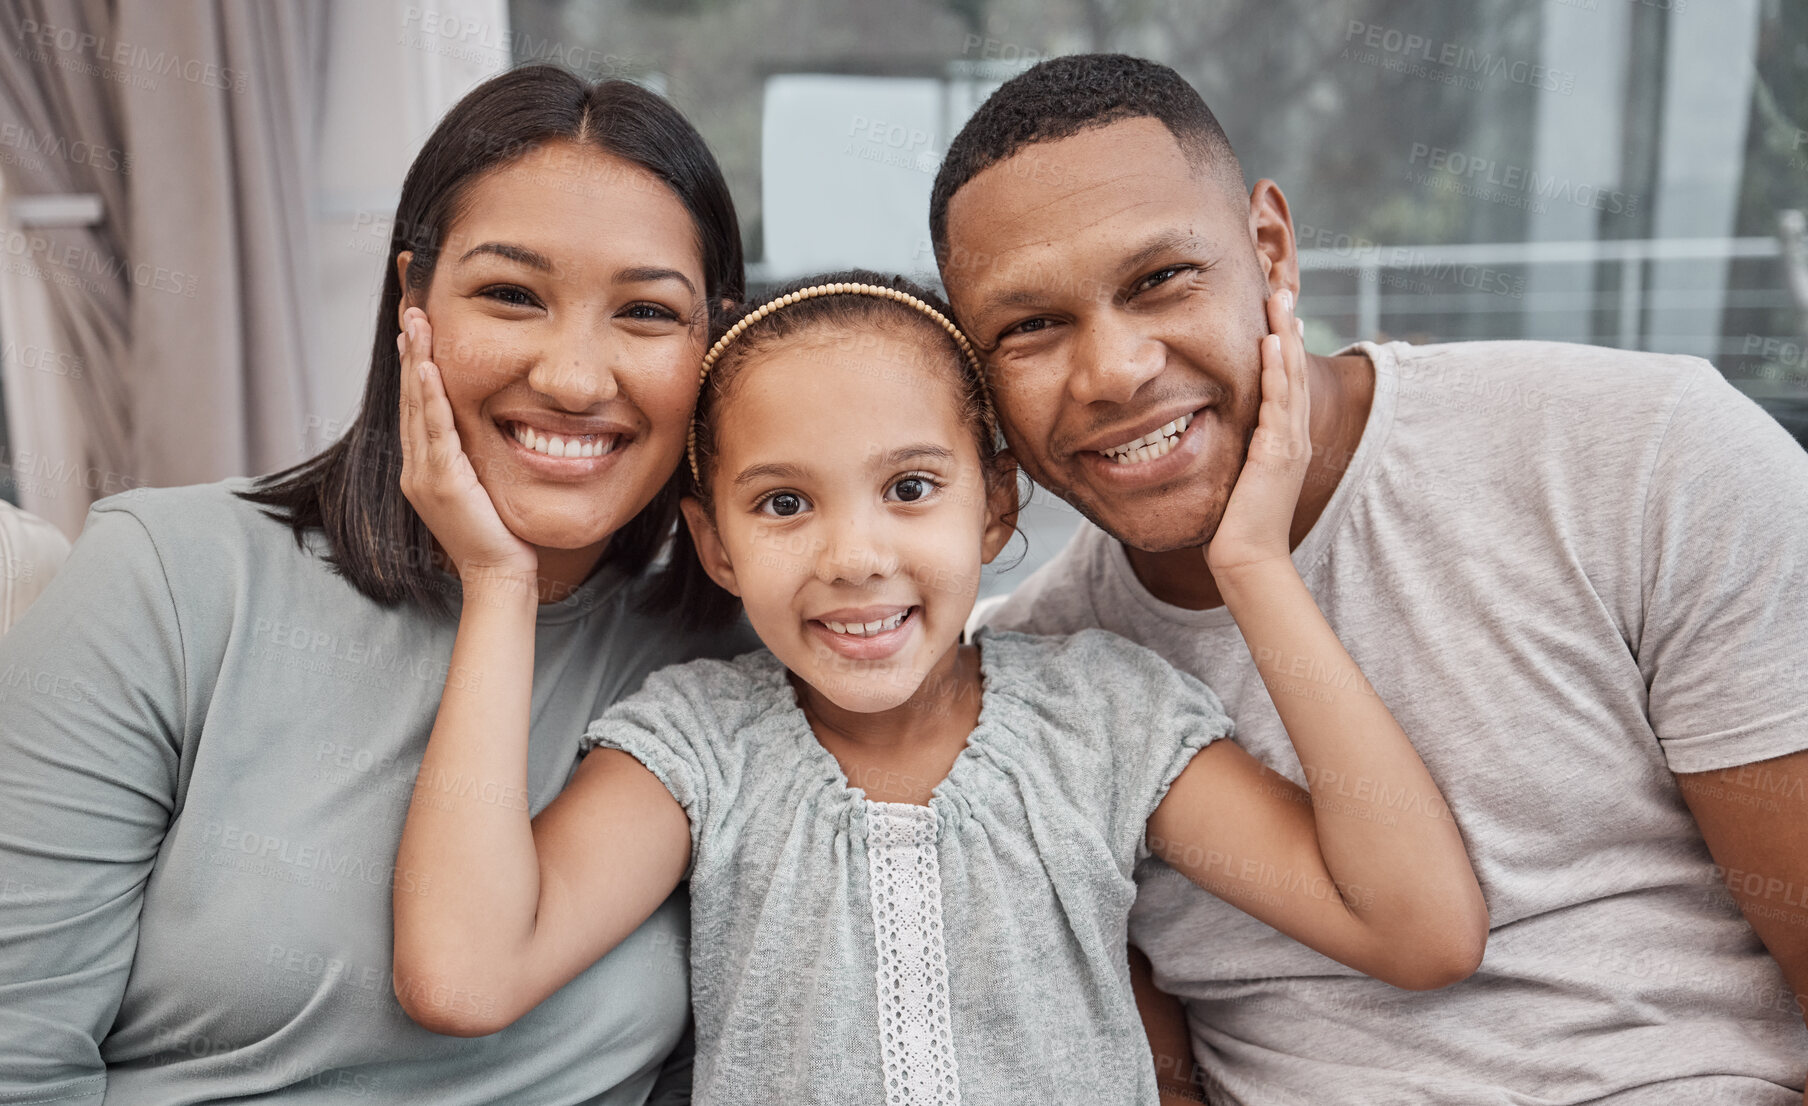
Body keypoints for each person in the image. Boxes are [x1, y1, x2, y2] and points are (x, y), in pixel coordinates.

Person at [930, 52, 1808, 1104]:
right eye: (1029, 326)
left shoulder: (1644, 456)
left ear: (1268, 246)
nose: (1113, 370)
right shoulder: (1032, 688)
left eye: (1159, 279)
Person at [386, 267, 1489, 1104]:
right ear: (713, 545)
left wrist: (1249, 564)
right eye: (781, 504)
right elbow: (465, 975)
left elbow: (1417, 927)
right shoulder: (696, 748)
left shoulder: (1103, 717)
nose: (853, 552)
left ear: (995, 508)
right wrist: (497, 582)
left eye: (909, 487)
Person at [0, 65, 753, 1104]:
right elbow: (17, 1055)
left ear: (713, 338)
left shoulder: (741, 661)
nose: (577, 378)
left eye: (646, 312)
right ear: (412, 304)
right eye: (510, 294)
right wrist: (500, 580)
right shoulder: (169, 579)